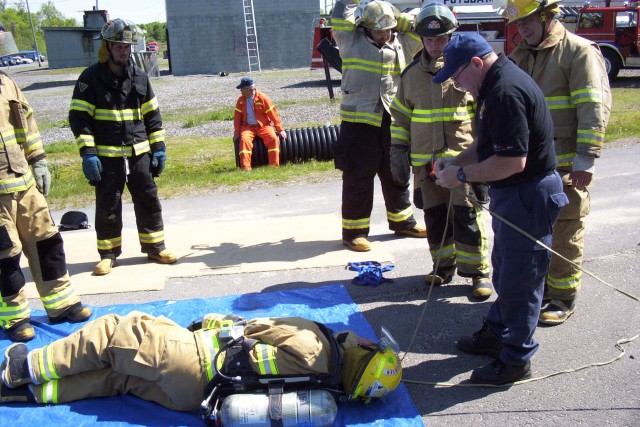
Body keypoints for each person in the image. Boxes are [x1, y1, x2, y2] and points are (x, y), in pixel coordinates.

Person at [432, 33, 568, 385]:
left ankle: (515, 360)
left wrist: (459, 175)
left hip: (528, 194)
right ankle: (497, 333)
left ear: (476, 63)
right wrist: (456, 160)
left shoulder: (505, 91)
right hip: (516, 195)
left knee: (521, 280)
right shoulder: (493, 85)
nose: (457, 84)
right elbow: (488, 144)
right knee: (506, 270)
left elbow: (511, 161)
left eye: (457, 75)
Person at [0, 312, 402, 413]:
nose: (366, 338)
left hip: (192, 360)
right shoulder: (329, 391)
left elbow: (252, 328)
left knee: (114, 332)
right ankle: (34, 395)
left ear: (362, 353)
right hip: (197, 399)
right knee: (117, 378)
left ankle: (27, 369)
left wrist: (208, 322)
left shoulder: (313, 341)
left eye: (371, 345)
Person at [503, 0, 612, 325]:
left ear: (549, 16)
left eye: (529, 21)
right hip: (529, 168)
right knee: (534, 234)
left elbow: (594, 107)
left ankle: (563, 297)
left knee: (565, 230)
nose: (522, 29)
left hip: (566, 167)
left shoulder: (578, 51)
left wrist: (585, 158)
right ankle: (542, 292)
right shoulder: (520, 55)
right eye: (519, 24)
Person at [389, 3, 492, 300]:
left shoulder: (467, 68)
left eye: (442, 38)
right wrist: (397, 150)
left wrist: (484, 153)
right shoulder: (409, 76)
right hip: (425, 164)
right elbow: (399, 118)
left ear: (452, 36)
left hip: (464, 161)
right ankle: (443, 265)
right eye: (429, 39)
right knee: (434, 218)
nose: (435, 45)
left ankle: (477, 273)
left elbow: (484, 115)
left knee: (467, 216)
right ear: (421, 38)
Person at [69, 18, 177, 276]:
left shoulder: (139, 76)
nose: (124, 51)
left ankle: (155, 248)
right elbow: (79, 119)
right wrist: (88, 153)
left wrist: (158, 147)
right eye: (118, 46)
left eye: (127, 46)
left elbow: (152, 114)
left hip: (138, 152)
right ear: (107, 47)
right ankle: (108, 255)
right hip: (107, 157)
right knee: (108, 204)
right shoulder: (90, 79)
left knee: (148, 199)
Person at [0, 69, 92, 342]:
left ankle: (61, 304)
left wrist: (38, 159)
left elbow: (26, 121)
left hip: (23, 182)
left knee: (47, 242)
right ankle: (15, 318)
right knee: (6, 257)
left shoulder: (6, 83)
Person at [331, 0, 426, 252]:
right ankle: (354, 232)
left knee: (397, 172)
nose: (385, 35)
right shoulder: (350, 40)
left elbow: (421, 28)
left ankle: (402, 221)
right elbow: (341, 15)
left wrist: (396, 15)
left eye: (389, 29)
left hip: (393, 120)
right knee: (358, 177)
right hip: (359, 123)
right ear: (365, 28)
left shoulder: (402, 42)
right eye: (379, 30)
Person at [233, 77, 287, 171]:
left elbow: (273, 114)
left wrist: (280, 129)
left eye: (242, 89)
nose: (241, 91)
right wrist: (236, 134)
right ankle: (246, 169)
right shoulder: (241, 100)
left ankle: (274, 167)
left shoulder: (263, 98)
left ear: (248, 89)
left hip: (263, 126)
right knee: (244, 141)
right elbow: (237, 119)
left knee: (273, 139)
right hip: (248, 127)